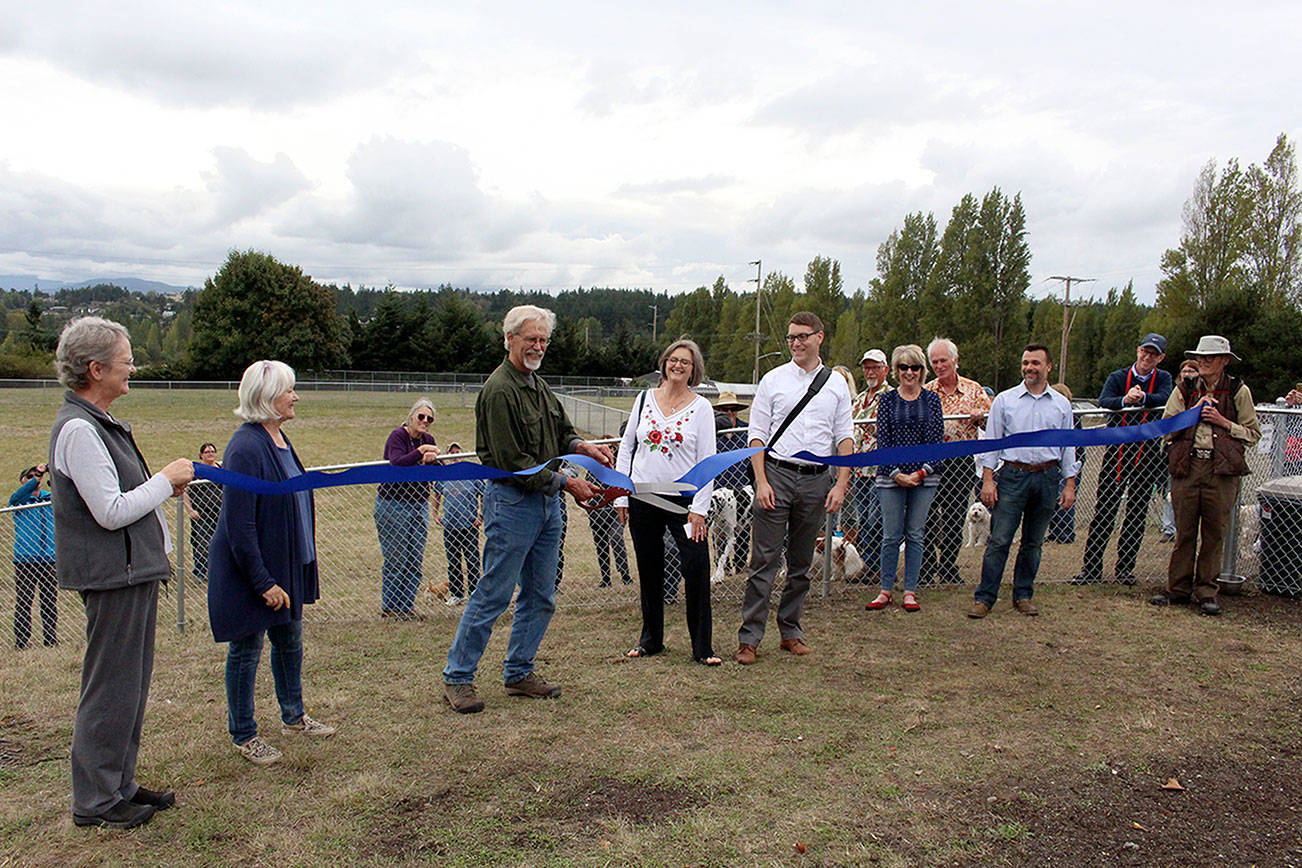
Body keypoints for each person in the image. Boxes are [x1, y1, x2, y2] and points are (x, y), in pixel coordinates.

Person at [48, 316, 194, 828]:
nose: (133, 367)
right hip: (114, 576)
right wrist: (164, 480)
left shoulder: (99, 424)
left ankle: (119, 784)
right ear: (95, 369)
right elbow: (109, 511)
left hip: (132, 573)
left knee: (129, 685)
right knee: (110, 687)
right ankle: (96, 801)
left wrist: (157, 490)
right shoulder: (79, 431)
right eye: (126, 359)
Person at [442, 305, 612, 713]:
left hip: (547, 505)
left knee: (540, 595)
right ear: (509, 340)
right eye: (530, 339)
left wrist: (582, 447)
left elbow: (561, 432)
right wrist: (568, 482)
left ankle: (519, 672)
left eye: (543, 340)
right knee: (494, 594)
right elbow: (511, 462)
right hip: (514, 504)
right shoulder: (499, 390)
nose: (537, 346)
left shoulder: (538, 385)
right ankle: (457, 678)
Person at [208, 360, 335, 766]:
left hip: (286, 563)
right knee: (246, 649)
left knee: (289, 642)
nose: (296, 397)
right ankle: (244, 734)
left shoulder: (278, 437)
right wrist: (262, 581)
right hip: (255, 571)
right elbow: (239, 523)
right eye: (289, 390)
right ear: (266, 398)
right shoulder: (245, 447)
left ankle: (294, 716)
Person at [736, 312, 853, 664]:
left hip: (818, 479)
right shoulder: (773, 380)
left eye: (803, 336)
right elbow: (755, 434)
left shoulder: (835, 385)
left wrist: (841, 484)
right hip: (776, 475)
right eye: (791, 338)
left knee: (801, 563)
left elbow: (845, 436)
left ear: (820, 337)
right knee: (764, 562)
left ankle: (791, 631)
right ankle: (750, 637)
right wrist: (761, 481)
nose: (796, 343)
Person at [615, 339, 720, 666]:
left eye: (685, 362)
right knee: (649, 570)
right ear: (664, 363)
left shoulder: (701, 407)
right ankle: (651, 639)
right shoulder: (644, 399)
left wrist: (699, 508)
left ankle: (702, 647)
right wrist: (621, 493)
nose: (678, 366)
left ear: (694, 370)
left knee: (697, 568)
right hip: (643, 496)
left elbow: (708, 459)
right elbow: (626, 448)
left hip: (685, 502)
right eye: (673, 360)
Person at [1153, 336, 1261, 615]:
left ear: (1225, 360)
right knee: (1184, 532)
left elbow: (1253, 434)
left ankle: (1206, 592)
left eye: (1209, 357)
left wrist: (1223, 423)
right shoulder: (1184, 389)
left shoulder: (1238, 391)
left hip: (1222, 472)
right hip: (1187, 468)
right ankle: (1177, 589)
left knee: (1214, 534)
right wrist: (1193, 413)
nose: (1203, 361)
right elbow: (1167, 428)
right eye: (1200, 357)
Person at [969, 345, 1077, 619]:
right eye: (1025, 362)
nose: (1029, 367)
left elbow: (1068, 447)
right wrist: (988, 480)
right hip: (1013, 476)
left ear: (1048, 367)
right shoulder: (1005, 401)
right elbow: (992, 444)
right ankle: (985, 598)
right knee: (1000, 539)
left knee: (1033, 542)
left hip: (1047, 477)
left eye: (1036, 363)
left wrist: (1069, 484)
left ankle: (1023, 595)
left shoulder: (1062, 405)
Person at [1072, 334, 1173, 586]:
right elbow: (1104, 401)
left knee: (1136, 512)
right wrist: (1124, 401)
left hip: (1147, 455)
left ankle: (1125, 568)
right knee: (1104, 510)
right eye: (1144, 352)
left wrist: (1145, 399)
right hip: (1117, 453)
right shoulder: (1118, 377)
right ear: (1138, 351)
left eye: (1153, 354)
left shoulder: (1163, 378)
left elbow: (1166, 399)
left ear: (1160, 358)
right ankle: (1091, 567)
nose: (1147, 357)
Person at [865, 345, 944, 613]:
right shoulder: (886, 401)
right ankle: (886, 589)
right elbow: (883, 442)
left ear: (922, 371)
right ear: (896, 371)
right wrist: (897, 474)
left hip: (925, 477)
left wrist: (920, 473)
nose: (909, 372)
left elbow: (936, 443)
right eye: (904, 367)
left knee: (915, 534)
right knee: (890, 535)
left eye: (915, 367)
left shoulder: (932, 400)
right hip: (890, 477)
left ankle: (910, 590)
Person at [920, 337, 991, 585]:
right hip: (931, 461)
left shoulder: (974, 390)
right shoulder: (926, 391)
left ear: (955, 360)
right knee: (927, 514)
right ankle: (927, 568)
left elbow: (992, 424)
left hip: (961, 461)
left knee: (954, 516)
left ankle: (949, 567)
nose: (939, 366)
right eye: (935, 362)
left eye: (943, 360)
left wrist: (980, 417)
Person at [374, 398, 440, 619]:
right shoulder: (398, 436)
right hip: (394, 504)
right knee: (396, 557)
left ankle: (407, 606)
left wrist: (432, 460)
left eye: (429, 419)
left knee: (414, 558)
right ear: (411, 417)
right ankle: (391, 607)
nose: (425, 421)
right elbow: (397, 463)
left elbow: (436, 470)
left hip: (419, 504)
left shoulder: (428, 439)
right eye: (421, 416)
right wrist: (421, 452)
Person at [847, 349, 890, 578]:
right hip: (860, 470)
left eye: (875, 367)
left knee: (877, 519)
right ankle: (867, 565)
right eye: (867, 368)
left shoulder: (892, 396)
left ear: (886, 369)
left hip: (881, 469)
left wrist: (877, 429)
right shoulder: (860, 399)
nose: (870, 372)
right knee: (863, 519)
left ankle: (877, 566)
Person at [10, 464, 57, 649]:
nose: (33, 481)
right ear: (23, 482)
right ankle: (21, 641)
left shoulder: (50, 499)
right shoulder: (19, 500)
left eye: (34, 477)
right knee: (24, 601)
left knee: (49, 601)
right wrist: (37, 474)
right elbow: (19, 494)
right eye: (28, 477)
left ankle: (51, 639)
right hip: (25, 559)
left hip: (48, 558)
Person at [432, 443, 484, 604]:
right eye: (451, 453)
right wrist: (435, 514)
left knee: (472, 560)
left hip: (469, 526)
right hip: (450, 526)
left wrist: (480, 517)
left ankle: (475, 593)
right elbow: (437, 495)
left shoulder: (471, 475)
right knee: (453, 561)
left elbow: (484, 495)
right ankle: (457, 594)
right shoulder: (445, 476)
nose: (455, 456)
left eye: (457, 453)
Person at [1160, 360, 1201, 540]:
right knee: (1171, 493)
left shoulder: (1204, 392)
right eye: (1184, 371)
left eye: (1192, 371)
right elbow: (1169, 425)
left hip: (1200, 452)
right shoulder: (1177, 393)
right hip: (1178, 451)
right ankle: (1169, 528)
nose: (1187, 374)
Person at [713, 391, 752, 575]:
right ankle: (722, 565)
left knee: (743, 529)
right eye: (724, 409)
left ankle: (741, 562)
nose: (729, 412)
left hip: (742, 489)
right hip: (719, 489)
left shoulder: (746, 430)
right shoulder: (713, 431)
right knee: (720, 531)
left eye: (733, 409)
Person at [182, 443, 222, 583]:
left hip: (219, 513)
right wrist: (190, 510)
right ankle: (200, 571)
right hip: (202, 515)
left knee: (220, 542)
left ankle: (216, 570)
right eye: (207, 452)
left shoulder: (220, 469)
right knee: (202, 542)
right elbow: (184, 492)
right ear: (201, 455)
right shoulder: (196, 471)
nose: (210, 454)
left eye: (212, 451)